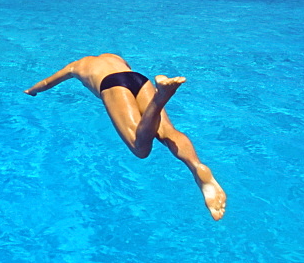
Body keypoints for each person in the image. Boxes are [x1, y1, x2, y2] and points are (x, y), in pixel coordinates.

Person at [24, 53, 227, 220]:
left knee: (140, 148)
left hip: (112, 84)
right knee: (167, 132)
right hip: (139, 78)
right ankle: (196, 166)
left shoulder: (76, 65)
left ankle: (160, 98)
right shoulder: (115, 57)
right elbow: (126, 71)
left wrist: (31, 91)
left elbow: (46, 82)